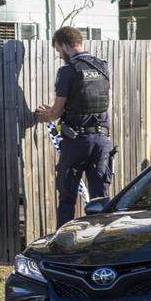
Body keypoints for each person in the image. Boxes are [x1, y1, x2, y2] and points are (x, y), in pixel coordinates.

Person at [35, 26, 114, 226]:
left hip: (77, 142)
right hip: (102, 140)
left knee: (68, 196)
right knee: (100, 199)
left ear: (63, 45)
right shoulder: (102, 66)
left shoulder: (68, 71)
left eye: (57, 50)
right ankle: (100, 241)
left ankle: (64, 245)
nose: (59, 55)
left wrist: (45, 115)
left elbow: (57, 111)